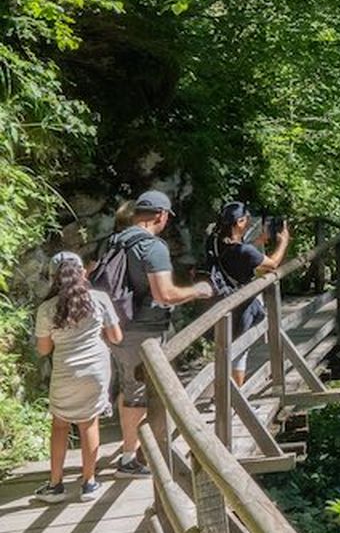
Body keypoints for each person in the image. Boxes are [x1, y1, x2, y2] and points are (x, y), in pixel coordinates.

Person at [105, 190, 214, 478]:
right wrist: (197, 291)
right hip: (144, 329)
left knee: (130, 388)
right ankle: (141, 457)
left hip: (117, 326)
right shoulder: (153, 247)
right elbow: (164, 293)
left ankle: (133, 451)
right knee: (144, 392)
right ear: (161, 216)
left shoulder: (116, 239)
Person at [32, 252, 121, 502]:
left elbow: (43, 350)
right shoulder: (99, 299)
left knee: (60, 424)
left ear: (53, 277)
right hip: (96, 370)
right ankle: (89, 484)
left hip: (65, 371)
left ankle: (55, 485)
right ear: (83, 273)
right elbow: (116, 338)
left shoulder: (47, 309)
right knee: (89, 423)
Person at [209, 202, 291, 387]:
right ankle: (233, 399)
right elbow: (273, 264)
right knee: (239, 351)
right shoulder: (245, 252)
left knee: (226, 349)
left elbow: (240, 253)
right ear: (239, 222)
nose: (248, 222)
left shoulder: (215, 241)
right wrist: (283, 242)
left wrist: (257, 243)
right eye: (246, 219)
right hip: (241, 306)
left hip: (220, 301)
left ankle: (223, 394)